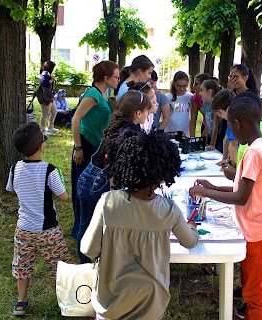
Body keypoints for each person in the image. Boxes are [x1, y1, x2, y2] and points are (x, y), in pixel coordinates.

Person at [81, 130, 199, 320]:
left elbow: (88, 249)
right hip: (151, 304)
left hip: (110, 303)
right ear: (162, 174)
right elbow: (190, 242)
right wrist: (192, 227)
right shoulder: (169, 210)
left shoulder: (108, 202)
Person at [189, 97, 262, 320]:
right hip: (258, 228)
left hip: (261, 232)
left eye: (230, 125)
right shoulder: (258, 146)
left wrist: (206, 193)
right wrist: (212, 186)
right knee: (251, 283)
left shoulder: (254, 153)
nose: (230, 130)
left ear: (238, 124)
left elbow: (240, 197)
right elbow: (241, 188)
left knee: (254, 291)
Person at [76, 91, 152, 263]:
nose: (148, 115)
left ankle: (84, 264)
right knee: (95, 228)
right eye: (147, 111)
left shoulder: (119, 125)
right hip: (99, 182)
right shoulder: (130, 133)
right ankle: (90, 266)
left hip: (88, 177)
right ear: (138, 113)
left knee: (85, 224)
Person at [6, 122, 71, 316]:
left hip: (23, 228)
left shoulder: (14, 168)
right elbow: (64, 196)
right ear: (42, 146)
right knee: (60, 264)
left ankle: (21, 301)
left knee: (22, 264)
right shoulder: (50, 170)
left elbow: (10, 190)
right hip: (48, 230)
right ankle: (67, 300)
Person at [71, 60, 119, 239]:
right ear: (105, 78)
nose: (118, 80)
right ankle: (80, 229)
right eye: (115, 76)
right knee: (83, 188)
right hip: (86, 145)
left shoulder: (103, 94)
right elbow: (76, 120)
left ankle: (90, 225)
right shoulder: (93, 94)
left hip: (96, 145)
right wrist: (78, 148)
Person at [211, 89, 238, 163]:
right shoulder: (229, 120)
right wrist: (224, 159)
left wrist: (232, 167)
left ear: (229, 109)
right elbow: (226, 139)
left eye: (220, 112)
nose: (219, 115)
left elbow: (233, 145)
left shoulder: (235, 122)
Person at [164, 71, 193, 137]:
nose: (182, 89)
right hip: (170, 130)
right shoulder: (168, 97)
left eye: (184, 86)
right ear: (174, 84)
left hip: (184, 131)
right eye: (179, 86)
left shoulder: (190, 97)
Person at [199, 79, 221, 151]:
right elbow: (207, 125)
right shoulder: (205, 104)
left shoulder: (216, 105)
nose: (200, 93)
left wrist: (212, 144)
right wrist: (202, 141)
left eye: (202, 90)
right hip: (210, 136)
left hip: (219, 138)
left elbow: (215, 126)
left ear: (209, 92)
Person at [39, 60, 58, 135]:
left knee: (54, 111)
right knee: (45, 114)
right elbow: (44, 83)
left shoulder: (47, 73)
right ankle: (42, 130)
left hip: (49, 96)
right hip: (45, 96)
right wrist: (52, 80)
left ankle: (50, 127)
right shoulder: (45, 73)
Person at [189, 73, 211, 137]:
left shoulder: (213, 98)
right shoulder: (196, 97)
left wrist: (203, 137)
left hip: (218, 128)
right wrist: (192, 138)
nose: (193, 86)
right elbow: (193, 119)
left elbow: (213, 120)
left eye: (196, 84)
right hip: (205, 125)